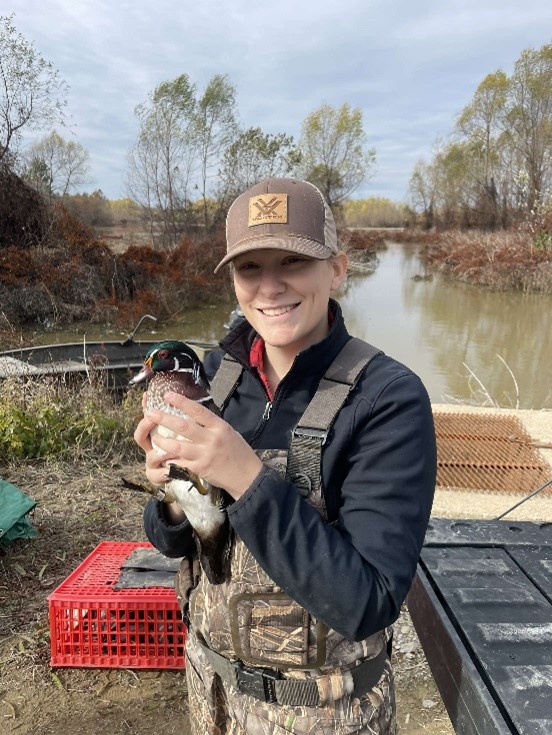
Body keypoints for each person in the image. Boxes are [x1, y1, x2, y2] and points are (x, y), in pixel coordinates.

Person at [134, 177, 437, 734]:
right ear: (232, 281)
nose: (269, 287)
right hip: (211, 695)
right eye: (250, 268)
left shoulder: (388, 399)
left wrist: (244, 476)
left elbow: (369, 600)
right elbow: (177, 542)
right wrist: (174, 499)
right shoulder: (214, 379)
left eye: (293, 261)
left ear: (338, 269)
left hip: (326, 717)